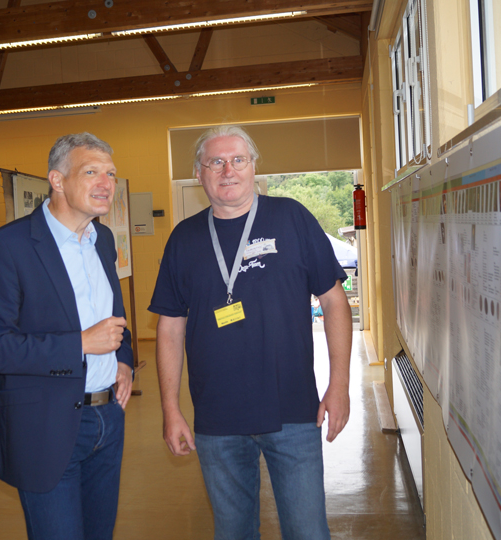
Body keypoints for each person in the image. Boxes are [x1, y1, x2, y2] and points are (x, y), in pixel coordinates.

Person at [149, 126, 352, 540]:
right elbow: (169, 327)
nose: (228, 170)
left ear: (254, 166)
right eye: (216, 162)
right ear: (199, 173)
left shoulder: (292, 218)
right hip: (217, 418)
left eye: (238, 160)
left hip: (292, 411)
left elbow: (334, 301)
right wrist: (170, 408)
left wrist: (340, 384)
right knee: (233, 532)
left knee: (307, 530)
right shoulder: (184, 239)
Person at [0, 132, 133, 540]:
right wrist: (79, 344)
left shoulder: (103, 240)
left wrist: (124, 360)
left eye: (111, 174)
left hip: (108, 419)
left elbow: (113, 318)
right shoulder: (6, 246)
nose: (106, 183)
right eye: (91, 172)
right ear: (57, 180)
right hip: (45, 427)